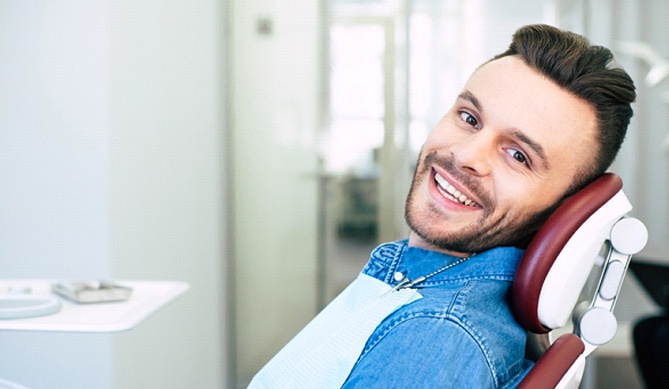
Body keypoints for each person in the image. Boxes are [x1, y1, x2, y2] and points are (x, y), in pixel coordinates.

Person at [249, 24, 636, 388]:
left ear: (560, 212)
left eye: (518, 156)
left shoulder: (435, 334)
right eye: (469, 118)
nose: (466, 155)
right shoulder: (423, 286)